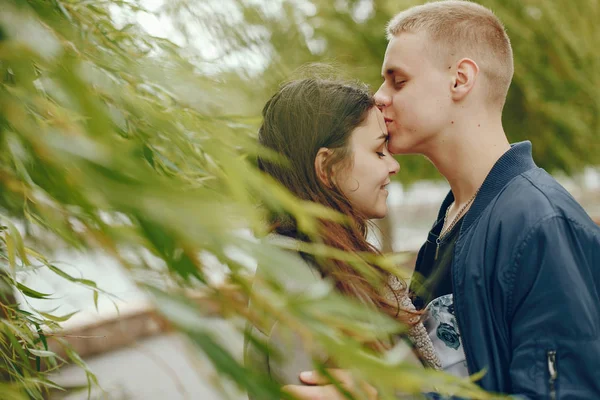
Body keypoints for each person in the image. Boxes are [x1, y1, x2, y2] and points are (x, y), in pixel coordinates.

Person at [287, 1, 600, 399]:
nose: (379, 97)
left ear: (460, 79)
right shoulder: (453, 217)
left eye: (397, 81)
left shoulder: (540, 221)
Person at [243, 78, 442, 400]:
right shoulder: (307, 295)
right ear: (327, 167)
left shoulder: (325, 268)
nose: (393, 165)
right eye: (378, 151)